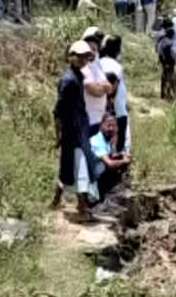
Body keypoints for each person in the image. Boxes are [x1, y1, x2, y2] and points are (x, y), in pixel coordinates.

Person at [50, 40, 99, 221]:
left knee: (70, 166)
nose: (81, 60)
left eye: (84, 57)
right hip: (73, 129)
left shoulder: (77, 76)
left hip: (78, 127)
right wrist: (59, 135)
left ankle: (58, 200)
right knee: (80, 168)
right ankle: (82, 206)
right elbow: (58, 111)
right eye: (78, 56)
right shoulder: (69, 80)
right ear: (71, 57)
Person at [89, 113, 131, 199]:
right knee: (121, 163)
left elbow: (111, 155)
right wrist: (124, 161)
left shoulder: (107, 139)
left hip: (99, 175)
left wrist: (122, 155)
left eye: (114, 126)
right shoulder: (97, 140)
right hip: (94, 181)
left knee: (121, 159)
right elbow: (110, 163)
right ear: (101, 126)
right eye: (108, 125)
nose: (111, 128)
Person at [80, 27, 111, 136]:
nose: (92, 51)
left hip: (99, 120)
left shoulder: (97, 63)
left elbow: (109, 87)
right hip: (87, 121)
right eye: (90, 48)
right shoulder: (81, 67)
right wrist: (102, 87)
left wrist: (101, 86)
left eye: (95, 49)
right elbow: (95, 90)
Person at [156, 25, 176, 100]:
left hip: (163, 62)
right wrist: (173, 60)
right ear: (172, 35)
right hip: (168, 62)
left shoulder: (162, 41)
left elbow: (159, 51)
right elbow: (169, 54)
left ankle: (162, 94)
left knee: (164, 77)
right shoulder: (169, 43)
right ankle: (172, 95)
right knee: (171, 78)